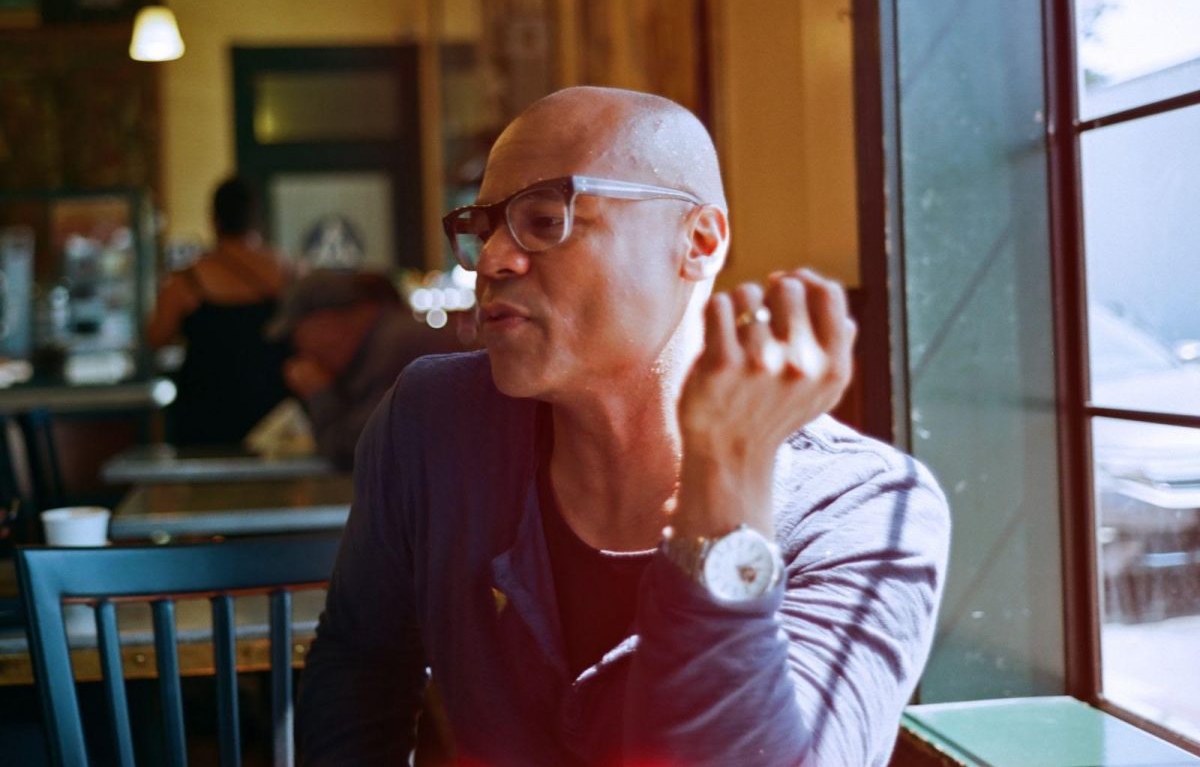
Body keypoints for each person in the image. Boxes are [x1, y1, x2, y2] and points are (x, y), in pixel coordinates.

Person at [297, 87, 951, 766]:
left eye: (544, 219)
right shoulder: (435, 423)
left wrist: (723, 497)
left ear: (698, 241)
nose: (492, 260)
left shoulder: (865, 509)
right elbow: (360, 667)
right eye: (482, 228)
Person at [266, 270, 465, 470]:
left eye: (297, 336)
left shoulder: (393, 350)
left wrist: (319, 392)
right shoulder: (387, 340)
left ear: (327, 325)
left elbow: (350, 452)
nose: (300, 350)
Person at [146, 177, 291, 446]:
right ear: (257, 220)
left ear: (214, 220)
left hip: (204, 412)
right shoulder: (286, 272)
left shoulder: (185, 281)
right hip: (272, 413)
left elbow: (155, 337)